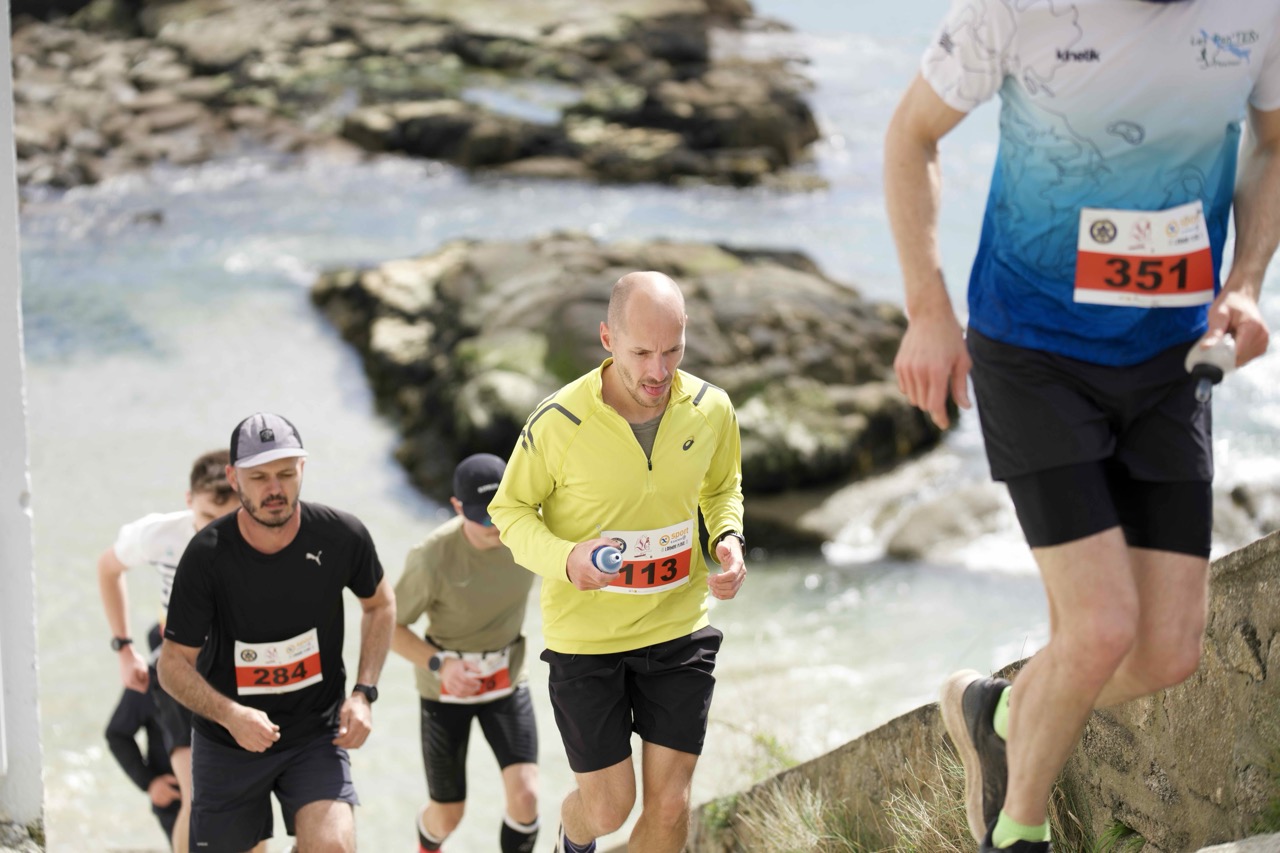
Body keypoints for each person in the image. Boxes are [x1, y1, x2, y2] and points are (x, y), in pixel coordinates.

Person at [884, 2, 1280, 851]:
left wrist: (1246, 280)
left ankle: (995, 713)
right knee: (1099, 627)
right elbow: (912, 135)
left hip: (1173, 359)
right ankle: (1017, 828)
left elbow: (1275, 140)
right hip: (1035, 355)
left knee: (1168, 652)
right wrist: (927, 309)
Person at [488, 271, 747, 853]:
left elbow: (721, 487)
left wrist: (726, 537)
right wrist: (566, 558)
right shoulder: (559, 422)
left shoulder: (711, 408)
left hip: (678, 627)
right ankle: (571, 839)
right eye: (641, 353)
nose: (659, 370)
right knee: (607, 809)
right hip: (587, 640)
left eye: (673, 351)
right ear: (607, 338)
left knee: (670, 807)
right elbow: (510, 513)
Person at [158, 412, 396, 853]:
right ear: (234, 478)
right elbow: (171, 664)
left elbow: (380, 605)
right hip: (227, 741)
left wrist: (364, 693)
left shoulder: (341, 535)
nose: (275, 489)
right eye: (259, 477)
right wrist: (231, 715)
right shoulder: (207, 555)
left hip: (315, 733)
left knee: (334, 846)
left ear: (302, 468)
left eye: (286, 474)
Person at [391, 453, 540, 853]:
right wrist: (440, 665)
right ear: (457, 507)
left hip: (507, 679)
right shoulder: (431, 557)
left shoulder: (530, 533)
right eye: (482, 517)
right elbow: (388, 627)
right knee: (448, 816)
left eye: (500, 512)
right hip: (446, 689)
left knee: (527, 797)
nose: (495, 526)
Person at [98, 448, 237, 853]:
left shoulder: (260, 532)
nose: (217, 530)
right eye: (208, 516)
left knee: (246, 798)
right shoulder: (159, 534)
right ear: (189, 499)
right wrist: (124, 648)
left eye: (229, 518)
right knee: (198, 796)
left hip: (236, 670)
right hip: (179, 668)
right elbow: (108, 568)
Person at [104, 625, 182, 849]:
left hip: (222, 789)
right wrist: (149, 782)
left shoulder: (217, 662)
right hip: (174, 795)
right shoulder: (149, 678)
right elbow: (117, 734)